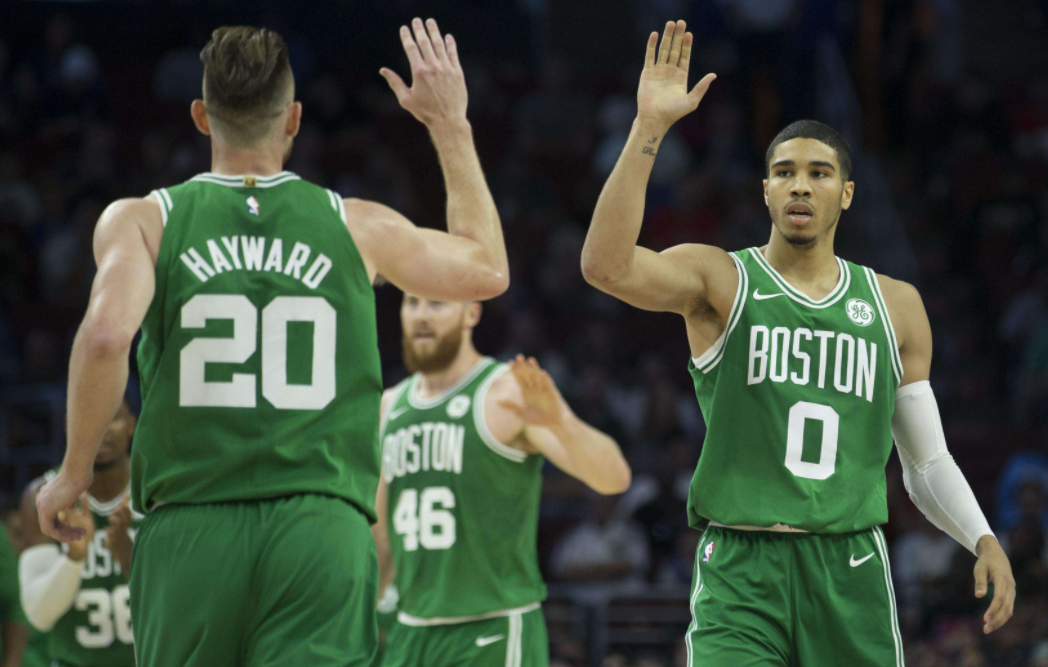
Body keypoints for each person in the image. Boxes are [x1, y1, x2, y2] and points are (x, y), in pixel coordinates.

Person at [34, 20, 509, 667]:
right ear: (293, 119)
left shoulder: (142, 220)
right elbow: (488, 270)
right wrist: (449, 124)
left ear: (201, 116)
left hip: (190, 527)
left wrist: (73, 472)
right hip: (319, 529)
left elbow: (106, 337)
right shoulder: (357, 225)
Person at [580, 19, 1016, 665]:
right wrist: (648, 128)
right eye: (784, 172)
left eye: (819, 172)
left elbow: (925, 463)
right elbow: (605, 266)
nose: (801, 184)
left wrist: (982, 536)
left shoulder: (896, 305)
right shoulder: (721, 279)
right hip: (740, 566)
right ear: (766, 191)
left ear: (847, 193)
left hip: (850, 567)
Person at [373, 294, 630, 667]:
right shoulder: (389, 406)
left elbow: (614, 478)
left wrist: (563, 422)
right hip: (411, 629)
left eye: (437, 303)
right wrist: (354, 623)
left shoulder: (506, 392)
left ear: (471, 312)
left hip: (492, 627)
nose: (421, 316)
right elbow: (382, 539)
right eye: (412, 303)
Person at [18, 402, 137, 667]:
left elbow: (186, 607)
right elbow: (39, 616)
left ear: (132, 424)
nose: (102, 429)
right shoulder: (41, 496)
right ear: (69, 426)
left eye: (113, 418)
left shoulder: (158, 491)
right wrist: (74, 558)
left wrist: (131, 559)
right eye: (91, 418)